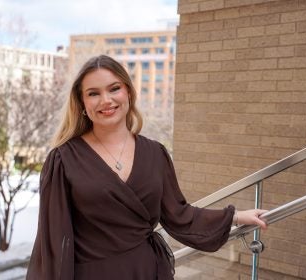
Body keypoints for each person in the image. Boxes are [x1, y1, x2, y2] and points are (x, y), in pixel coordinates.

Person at [26, 55, 267, 280]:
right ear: (81, 103)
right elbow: (52, 241)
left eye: (114, 89)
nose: (106, 100)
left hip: (146, 270)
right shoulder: (63, 159)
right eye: (93, 93)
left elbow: (180, 215)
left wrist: (235, 216)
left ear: (128, 92)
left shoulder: (155, 153)